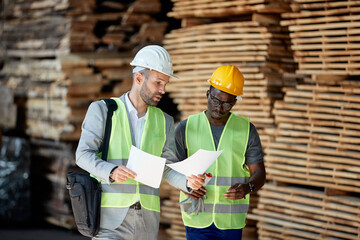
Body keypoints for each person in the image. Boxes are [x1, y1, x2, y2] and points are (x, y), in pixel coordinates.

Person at [76, 45, 205, 240]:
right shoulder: (103, 111)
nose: (163, 90)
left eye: (165, 84)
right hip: (109, 222)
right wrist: (110, 171)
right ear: (138, 78)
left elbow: (167, 167)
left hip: (146, 223)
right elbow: (82, 155)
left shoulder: (165, 120)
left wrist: (188, 182)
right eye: (158, 83)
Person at [175, 65, 266, 240]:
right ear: (207, 94)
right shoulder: (186, 128)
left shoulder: (247, 130)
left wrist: (248, 187)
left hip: (230, 219)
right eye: (215, 100)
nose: (219, 107)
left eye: (226, 104)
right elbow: (171, 169)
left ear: (235, 102)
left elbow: (259, 173)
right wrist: (184, 186)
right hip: (197, 216)